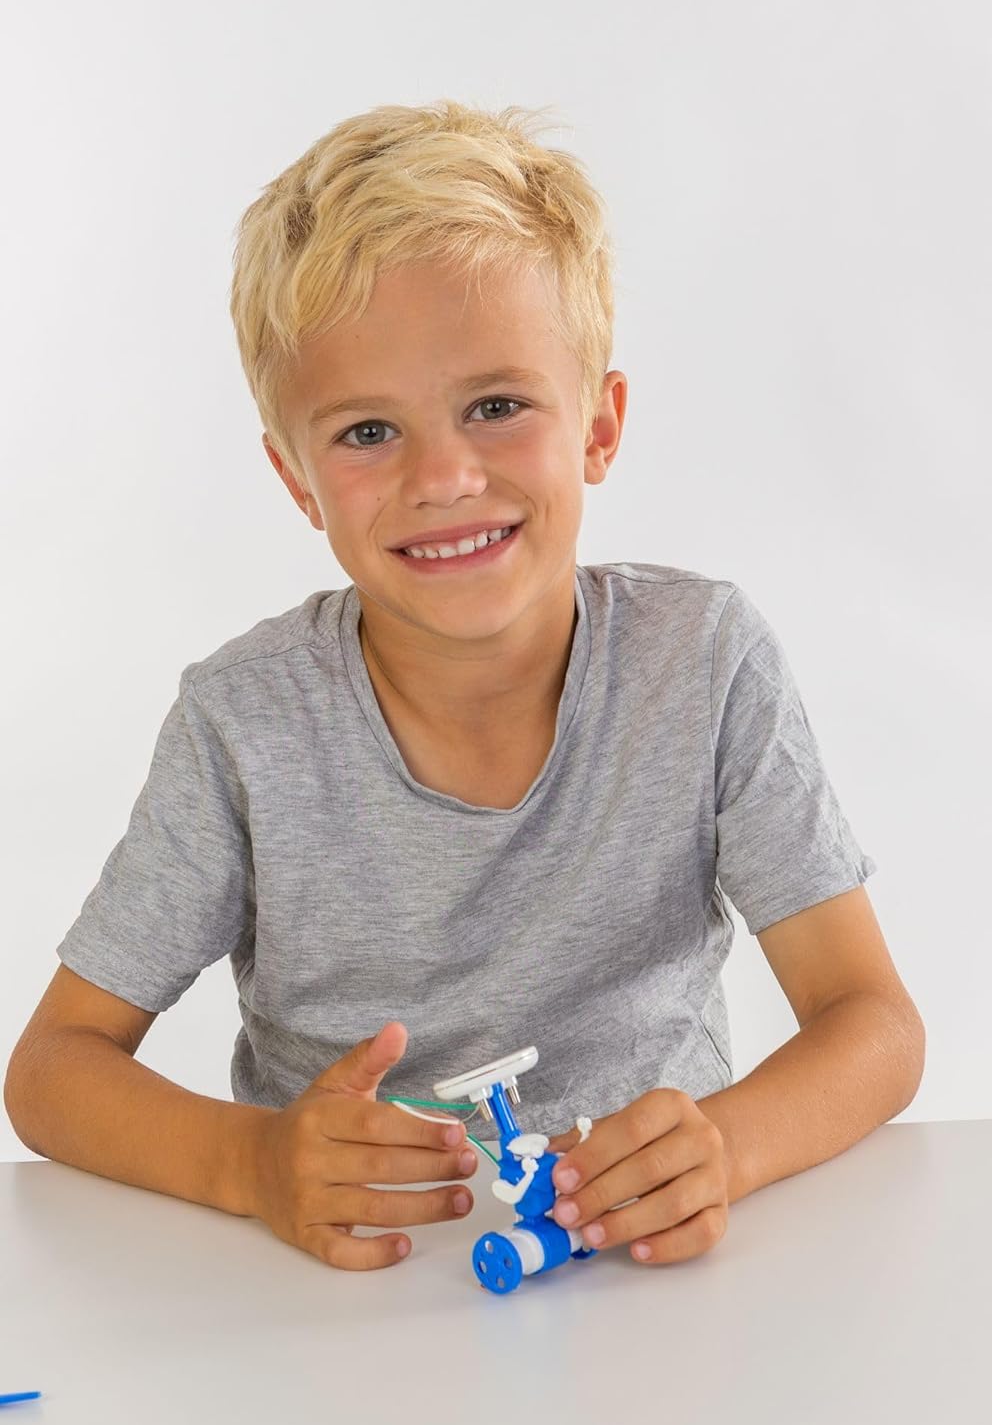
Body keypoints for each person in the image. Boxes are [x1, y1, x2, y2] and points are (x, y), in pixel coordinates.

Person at [4, 99, 923, 1275]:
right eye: (367, 431)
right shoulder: (243, 724)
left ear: (598, 426)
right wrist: (252, 1163)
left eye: (496, 406)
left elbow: (872, 1022)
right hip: (344, 1295)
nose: (443, 476)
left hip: (648, 1281)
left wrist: (725, 1150)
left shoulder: (701, 661)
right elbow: (53, 1069)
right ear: (296, 481)